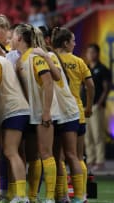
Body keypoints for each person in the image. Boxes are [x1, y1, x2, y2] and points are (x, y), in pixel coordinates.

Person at [33, 27, 84, 203]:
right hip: (57, 112)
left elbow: (55, 78)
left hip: (67, 111)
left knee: (71, 154)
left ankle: (79, 197)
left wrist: (46, 56)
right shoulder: (40, 56)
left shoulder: (50, 56)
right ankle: (62, 196)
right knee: (56, 157)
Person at [11, 23, 57, 203]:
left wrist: (46, 111)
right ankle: (32, 197)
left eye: (13, 36)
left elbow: (48, 83)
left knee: (46, 153)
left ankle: (50, 197)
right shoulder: (20, 60)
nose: (11, 39)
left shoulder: (36, 56)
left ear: (20, 38)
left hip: (40, 113)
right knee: (33, 157)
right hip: (27, 114)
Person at [52, 27, 95, 202]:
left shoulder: (51, 59)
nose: (75, 43)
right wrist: (89, 106)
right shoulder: (78, 61)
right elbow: (90, 85)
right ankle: (81, 195)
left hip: (59, 111)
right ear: (65, 42)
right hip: (78, 111)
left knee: (59, 156)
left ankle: (62, 196)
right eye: (73, 41)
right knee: (78, 156)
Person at [0, 36, 30, 203]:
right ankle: (6, 192)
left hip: (12, 110)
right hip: (16, 109)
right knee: (6, 152)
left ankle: (21, 196)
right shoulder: (1, 59)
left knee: (11, 152)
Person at [84, 43, 111, 171]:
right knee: (87, 135)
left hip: (96, 106)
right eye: (89, 52)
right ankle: (90, 160)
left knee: (97, 134)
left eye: (93, 52)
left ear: (98, 53)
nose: (90, 55)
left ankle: (100, 161)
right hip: (86, 106)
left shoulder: (103, 69)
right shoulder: (86, 68)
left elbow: (106, 88)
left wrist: (99, 103)